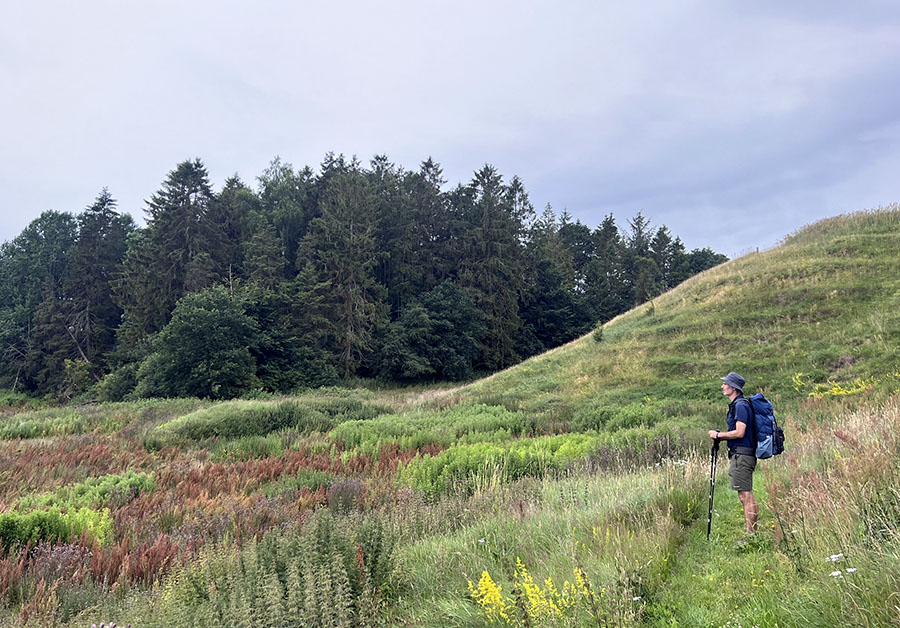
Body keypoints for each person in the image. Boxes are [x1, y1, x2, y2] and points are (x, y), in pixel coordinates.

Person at [708, 371, 758, 535]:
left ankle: (752, 535)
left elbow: (739, 432)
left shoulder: (740, 406)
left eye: (725, 383)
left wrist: (718, 435)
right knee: (744, 494)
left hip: (742, 455)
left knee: (746, 495)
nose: (722, 386)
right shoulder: (739, 404)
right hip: (741, 454)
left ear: (733, 387)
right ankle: (752, 533)